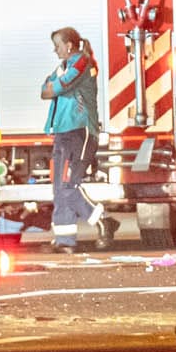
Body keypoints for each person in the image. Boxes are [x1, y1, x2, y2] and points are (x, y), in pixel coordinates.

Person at [41, 25, 102, 250]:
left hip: (78, 132)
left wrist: (54, 87)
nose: (55, 50)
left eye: (57, 46)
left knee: (68, 185)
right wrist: (53, 87)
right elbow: (44, 90)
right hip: (62, 133)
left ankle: (102, 220)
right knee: (59, 189)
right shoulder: (64, 66)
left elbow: (57, 87)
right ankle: (65, 240)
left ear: (68, 45)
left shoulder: (82, 63)